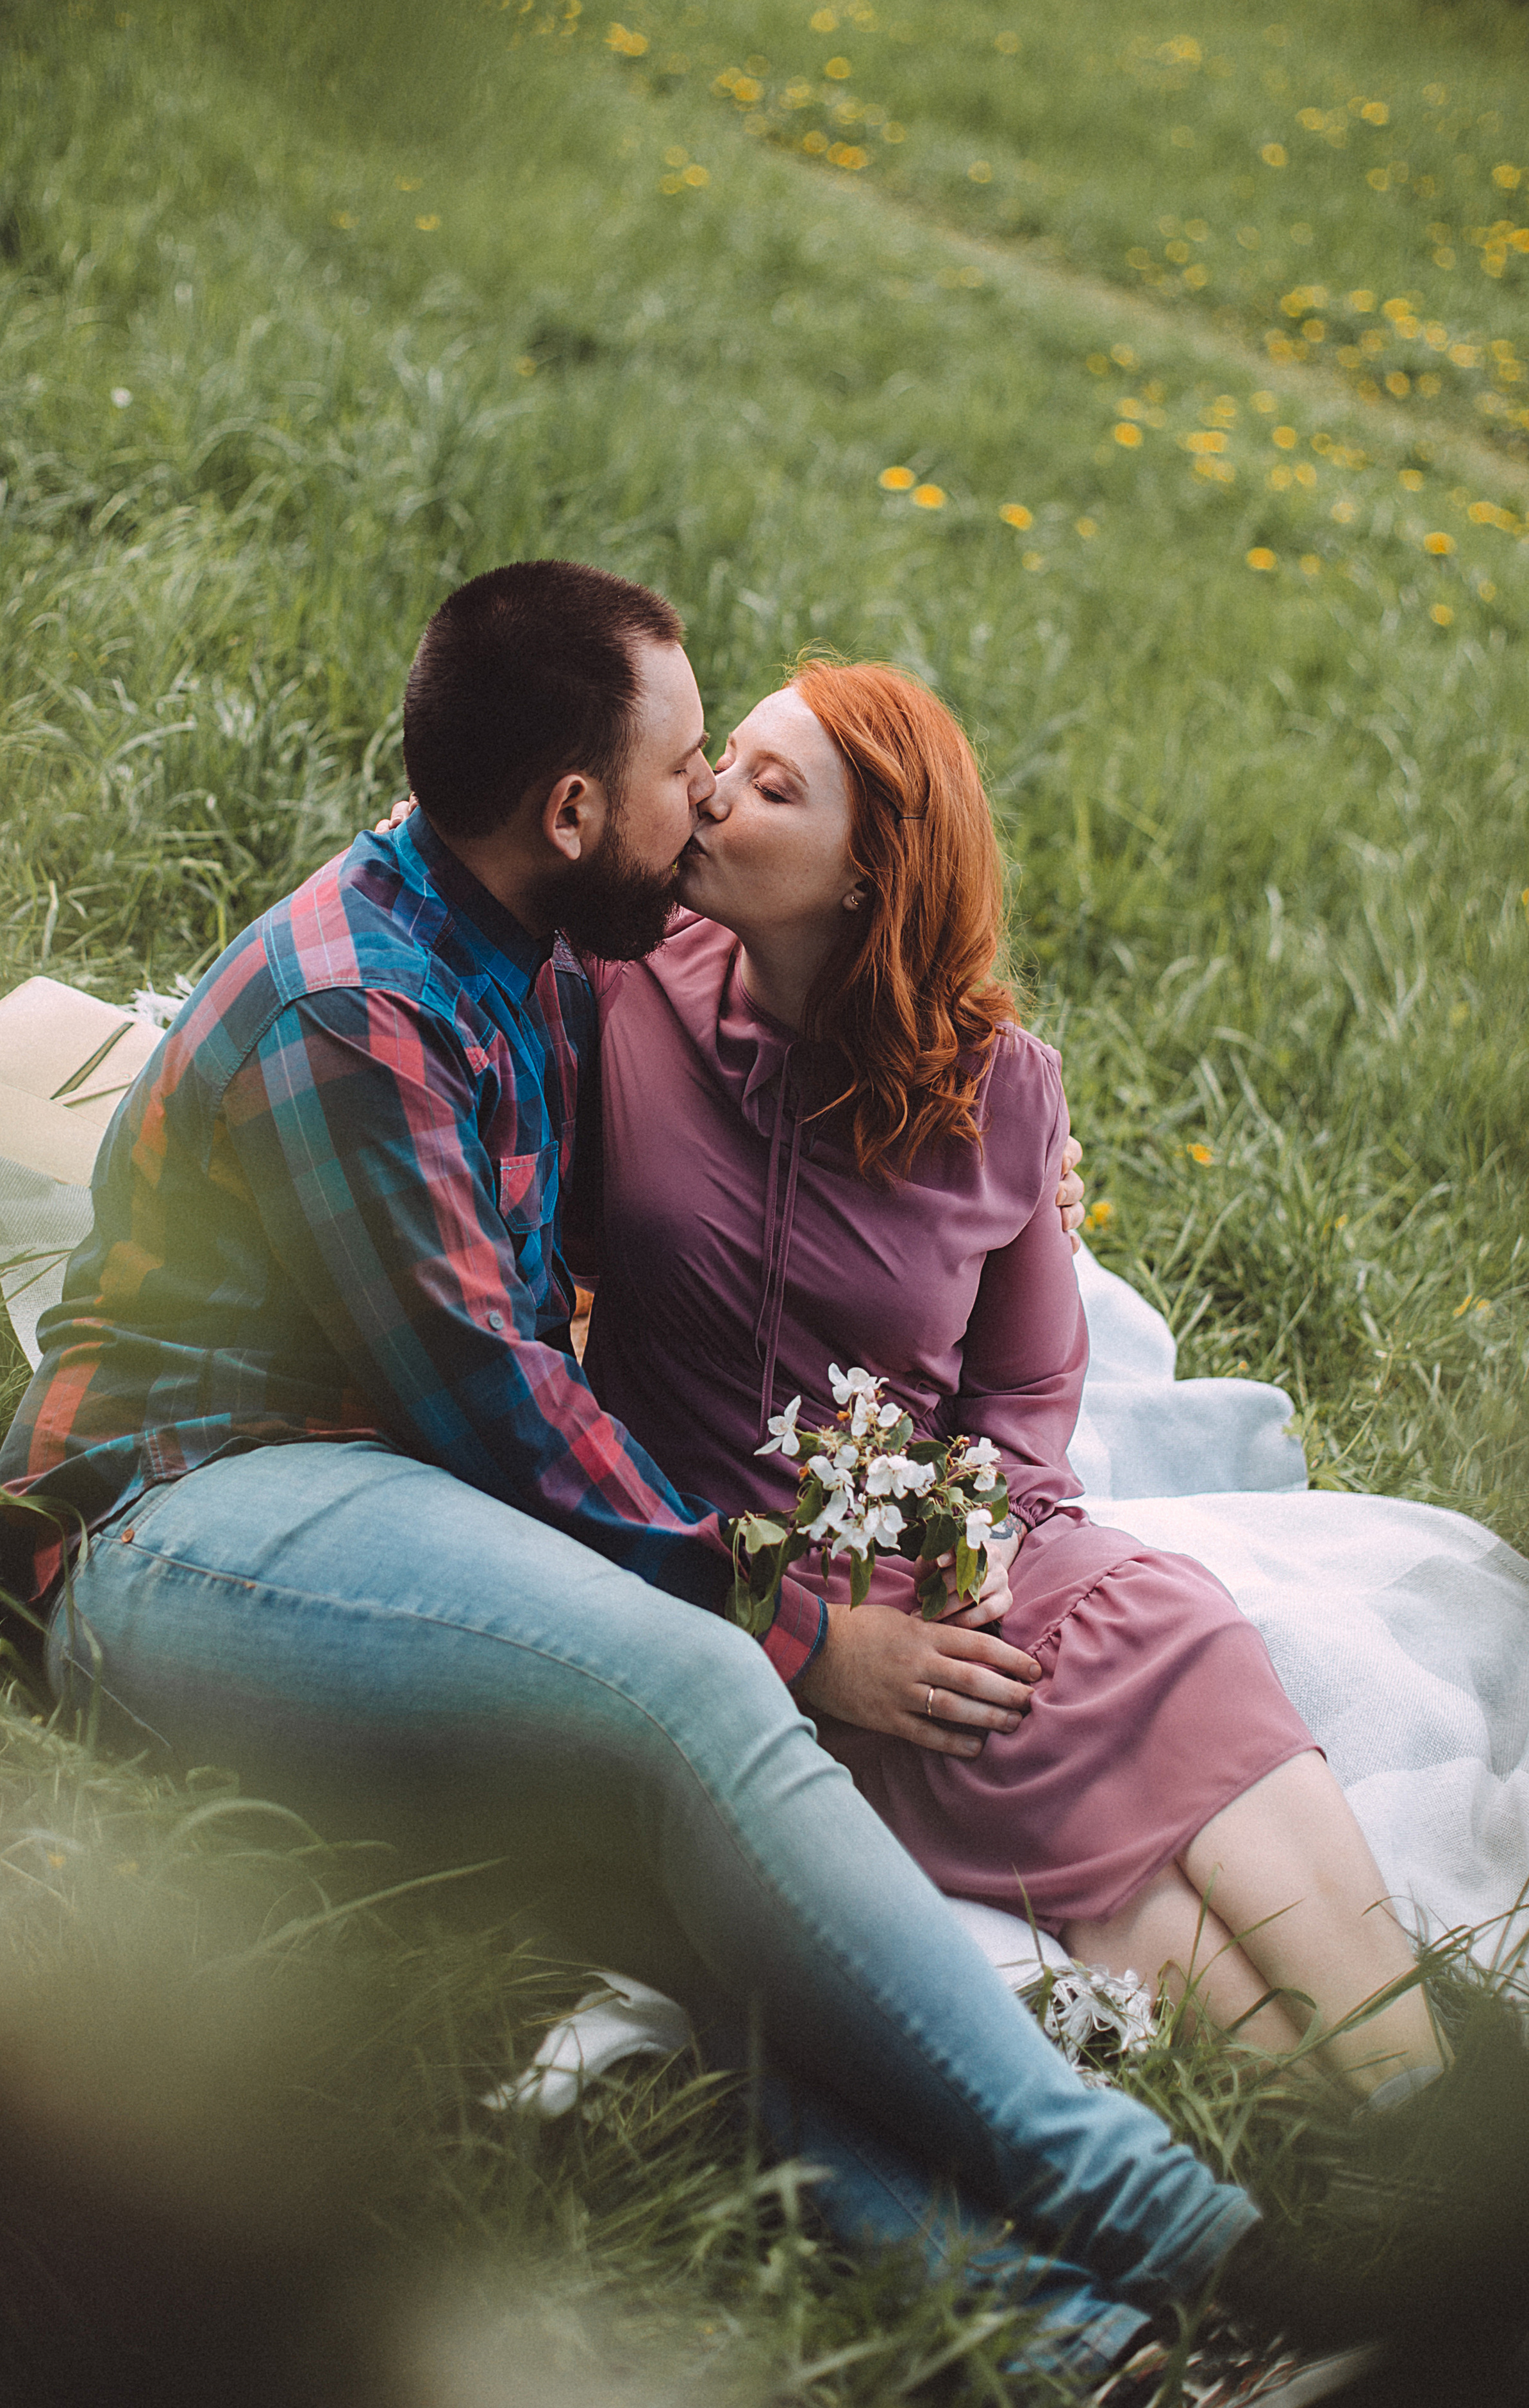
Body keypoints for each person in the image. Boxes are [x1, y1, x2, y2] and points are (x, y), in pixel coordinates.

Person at [0, 562, 1476, 2395]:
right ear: (578, 811)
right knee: (692, 1683)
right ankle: (1183, 2226)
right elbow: (502, 1412)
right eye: (694, 766)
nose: (707, 805)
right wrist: (794, 1628)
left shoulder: (530, 931)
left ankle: (1093, 2354)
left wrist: (1012, 1150)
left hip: (392, 1537)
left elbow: (842, 1176)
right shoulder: (360, 1017)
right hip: (191, 1512)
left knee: (663, 1897)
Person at [577, 655, 1444, 2101]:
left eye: (772, 786)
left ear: (869, 875)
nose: (713, 791)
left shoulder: (1000, 1090)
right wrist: (806, 1630)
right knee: (1260, 2045)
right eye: (726, 757)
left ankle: (1449, 2183)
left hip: (961, 1564)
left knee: (1152, 1637)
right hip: (736, 1596)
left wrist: (971, 1545)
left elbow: (1021, 1409)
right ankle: (1376, 2199)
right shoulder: (609, 991)